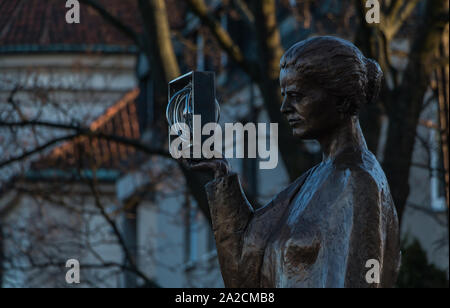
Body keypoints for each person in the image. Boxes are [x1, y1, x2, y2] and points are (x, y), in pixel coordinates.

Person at [186, 36, 401, 288]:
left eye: (297, 96)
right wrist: (221, 177)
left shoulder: (358, 179)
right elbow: (247, 270)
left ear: (340, 99)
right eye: (284, 95)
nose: (285, 107)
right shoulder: (311, 180)